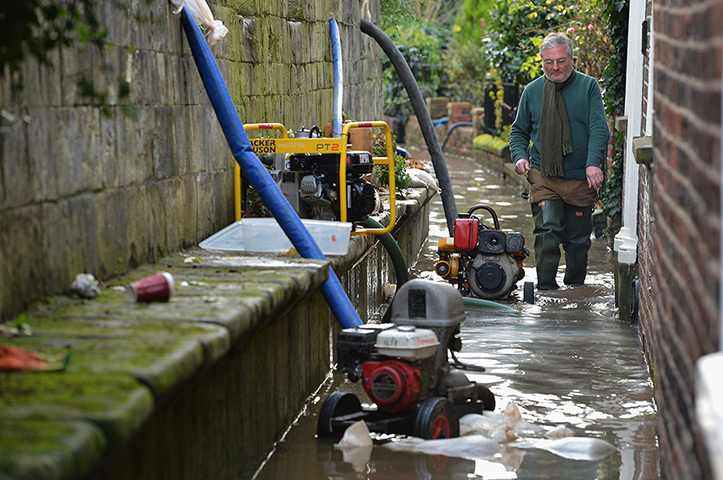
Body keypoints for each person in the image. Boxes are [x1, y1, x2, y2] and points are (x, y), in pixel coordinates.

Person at [509, 33, 609, 290]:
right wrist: (520, 156)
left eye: (561, 61)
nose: (555, 68)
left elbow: (598, 128)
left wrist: (593, 163)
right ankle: (546, 292)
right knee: (547, 233)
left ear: (572, 59)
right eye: (548, 62)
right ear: (542, 62)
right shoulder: (532, 91)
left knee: (577, 241)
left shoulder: (588, 87)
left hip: (579, 176)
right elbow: (518, 131)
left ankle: (575, 291)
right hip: (544, 174)